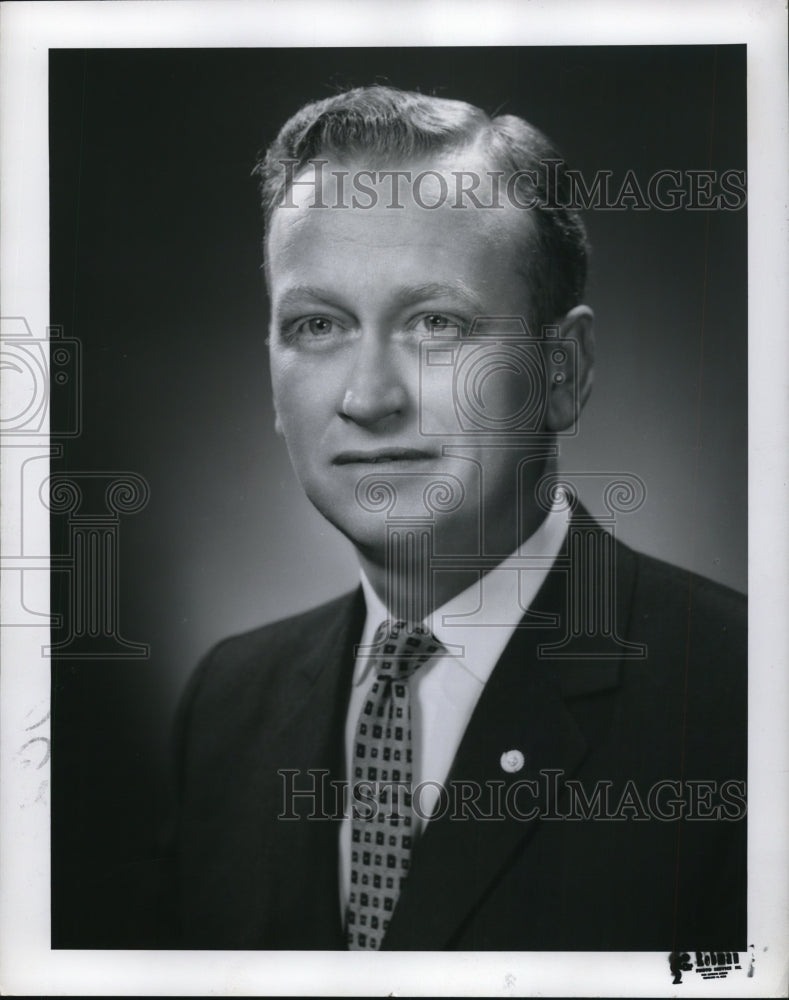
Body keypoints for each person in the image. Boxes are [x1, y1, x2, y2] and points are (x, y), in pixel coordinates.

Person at [163, 86, 746, 952]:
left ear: (563, 371)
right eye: (317, 325)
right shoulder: (226, 702)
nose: (367, 397)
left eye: (436, 324)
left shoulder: (742, 700)